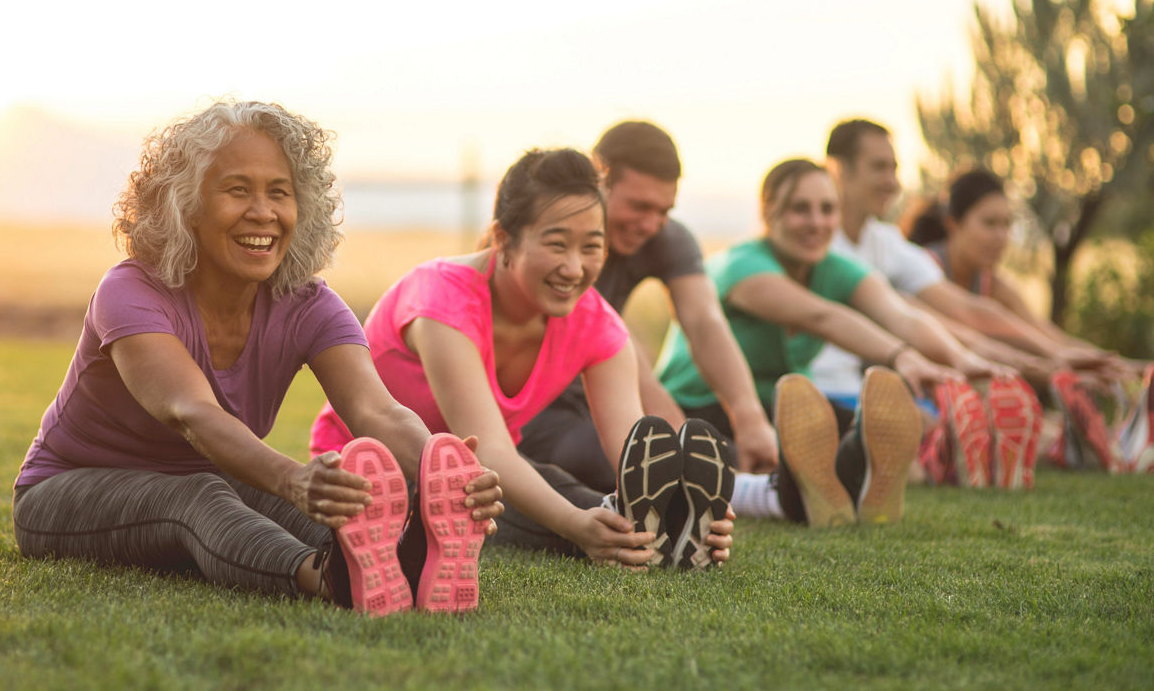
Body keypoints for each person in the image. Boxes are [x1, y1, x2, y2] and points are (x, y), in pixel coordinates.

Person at [11, 101, 504, 617]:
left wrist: (441, 472)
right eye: (237, 190)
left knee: (342, 504)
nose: (263, 213)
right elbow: (191, 411)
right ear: (187, 204)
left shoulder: (309, 305)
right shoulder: (132, 290)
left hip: (217, 478)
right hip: (65, 491)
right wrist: (293, 478)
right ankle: (327, 578)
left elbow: (377, 411)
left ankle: (406, 562)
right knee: (200, 496)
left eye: (279, 193)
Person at [311, 148, 735, 570]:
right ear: (503, 238)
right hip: (372, 470)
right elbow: (489, 450)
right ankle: (638, 538)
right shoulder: (442, 302)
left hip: (485, 478)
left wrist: (675, 500)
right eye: (557, 244)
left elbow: (632, 454)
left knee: (559, 490)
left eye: (592, 247)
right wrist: (576, 524)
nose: (574, 267)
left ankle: (669, 534)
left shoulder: (597, 324)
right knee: (499, 498)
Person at [656, 158, 998, 526]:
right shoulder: (742, 266)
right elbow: (822, 317)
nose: (817, 223)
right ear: (768, 211)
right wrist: (902, 357)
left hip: (787, 407)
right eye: (800, 209)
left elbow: (899, 313)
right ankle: (814, 487)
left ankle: (868, 478)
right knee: (744, 454)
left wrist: (959, 360)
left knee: (865, 430)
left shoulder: (833, 267)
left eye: (827, 209)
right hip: (704, 406)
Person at [516, 122, 777, 499]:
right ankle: (756, 494)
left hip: (604, 402)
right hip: (536, 411)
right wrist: (678, 439)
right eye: (639, 206)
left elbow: (705, 322)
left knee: (717, 448)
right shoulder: (552, 241)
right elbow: (616, 341)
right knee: (610, 458)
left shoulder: (665, 237)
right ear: (598, 180)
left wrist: (748, 416)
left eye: (663, 210)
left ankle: (783, 487)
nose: (651, 224)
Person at [812, 119, 1044, 489]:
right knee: (919, 428)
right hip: (820, 392)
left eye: (895, 169)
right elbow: (919, 318)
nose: (892, 181)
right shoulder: (815, 244)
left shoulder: (883, 242)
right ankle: (941, 454)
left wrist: (1049, 358)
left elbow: (962, 311)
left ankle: (950, 448)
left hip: (863, 386)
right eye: (879, 167)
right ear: (837, 170)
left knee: (935, 416)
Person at [905, 168, 1147, 472]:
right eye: (989, 223)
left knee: (1034, 426)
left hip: (972, 386)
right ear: (953, 224)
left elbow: (1045, 334)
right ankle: (1084, 444)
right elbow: (960, 337)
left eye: (1007, 225)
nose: (1001, 237)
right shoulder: (924, 270)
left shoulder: (992, 282)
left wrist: (1120, 365)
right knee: (1027, 428)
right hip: (922, 389)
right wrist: (1052, 368)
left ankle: (1095, 443)